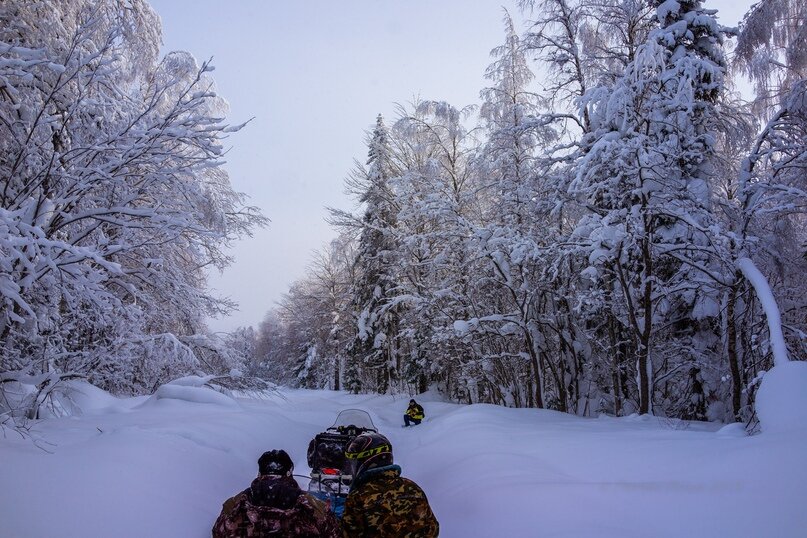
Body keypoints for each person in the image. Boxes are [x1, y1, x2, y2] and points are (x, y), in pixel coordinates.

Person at [212, 449, 340, 538]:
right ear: (289, 473)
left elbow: (218, 532)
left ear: (260, 473)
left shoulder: (236, 503)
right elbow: (334, 533)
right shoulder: (309, 504)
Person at [341, 432, 439, 537]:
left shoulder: (358, 496)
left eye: (353, 462)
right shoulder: (412, 487)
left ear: (366, 461)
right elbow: (433, 528)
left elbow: (349, 535)